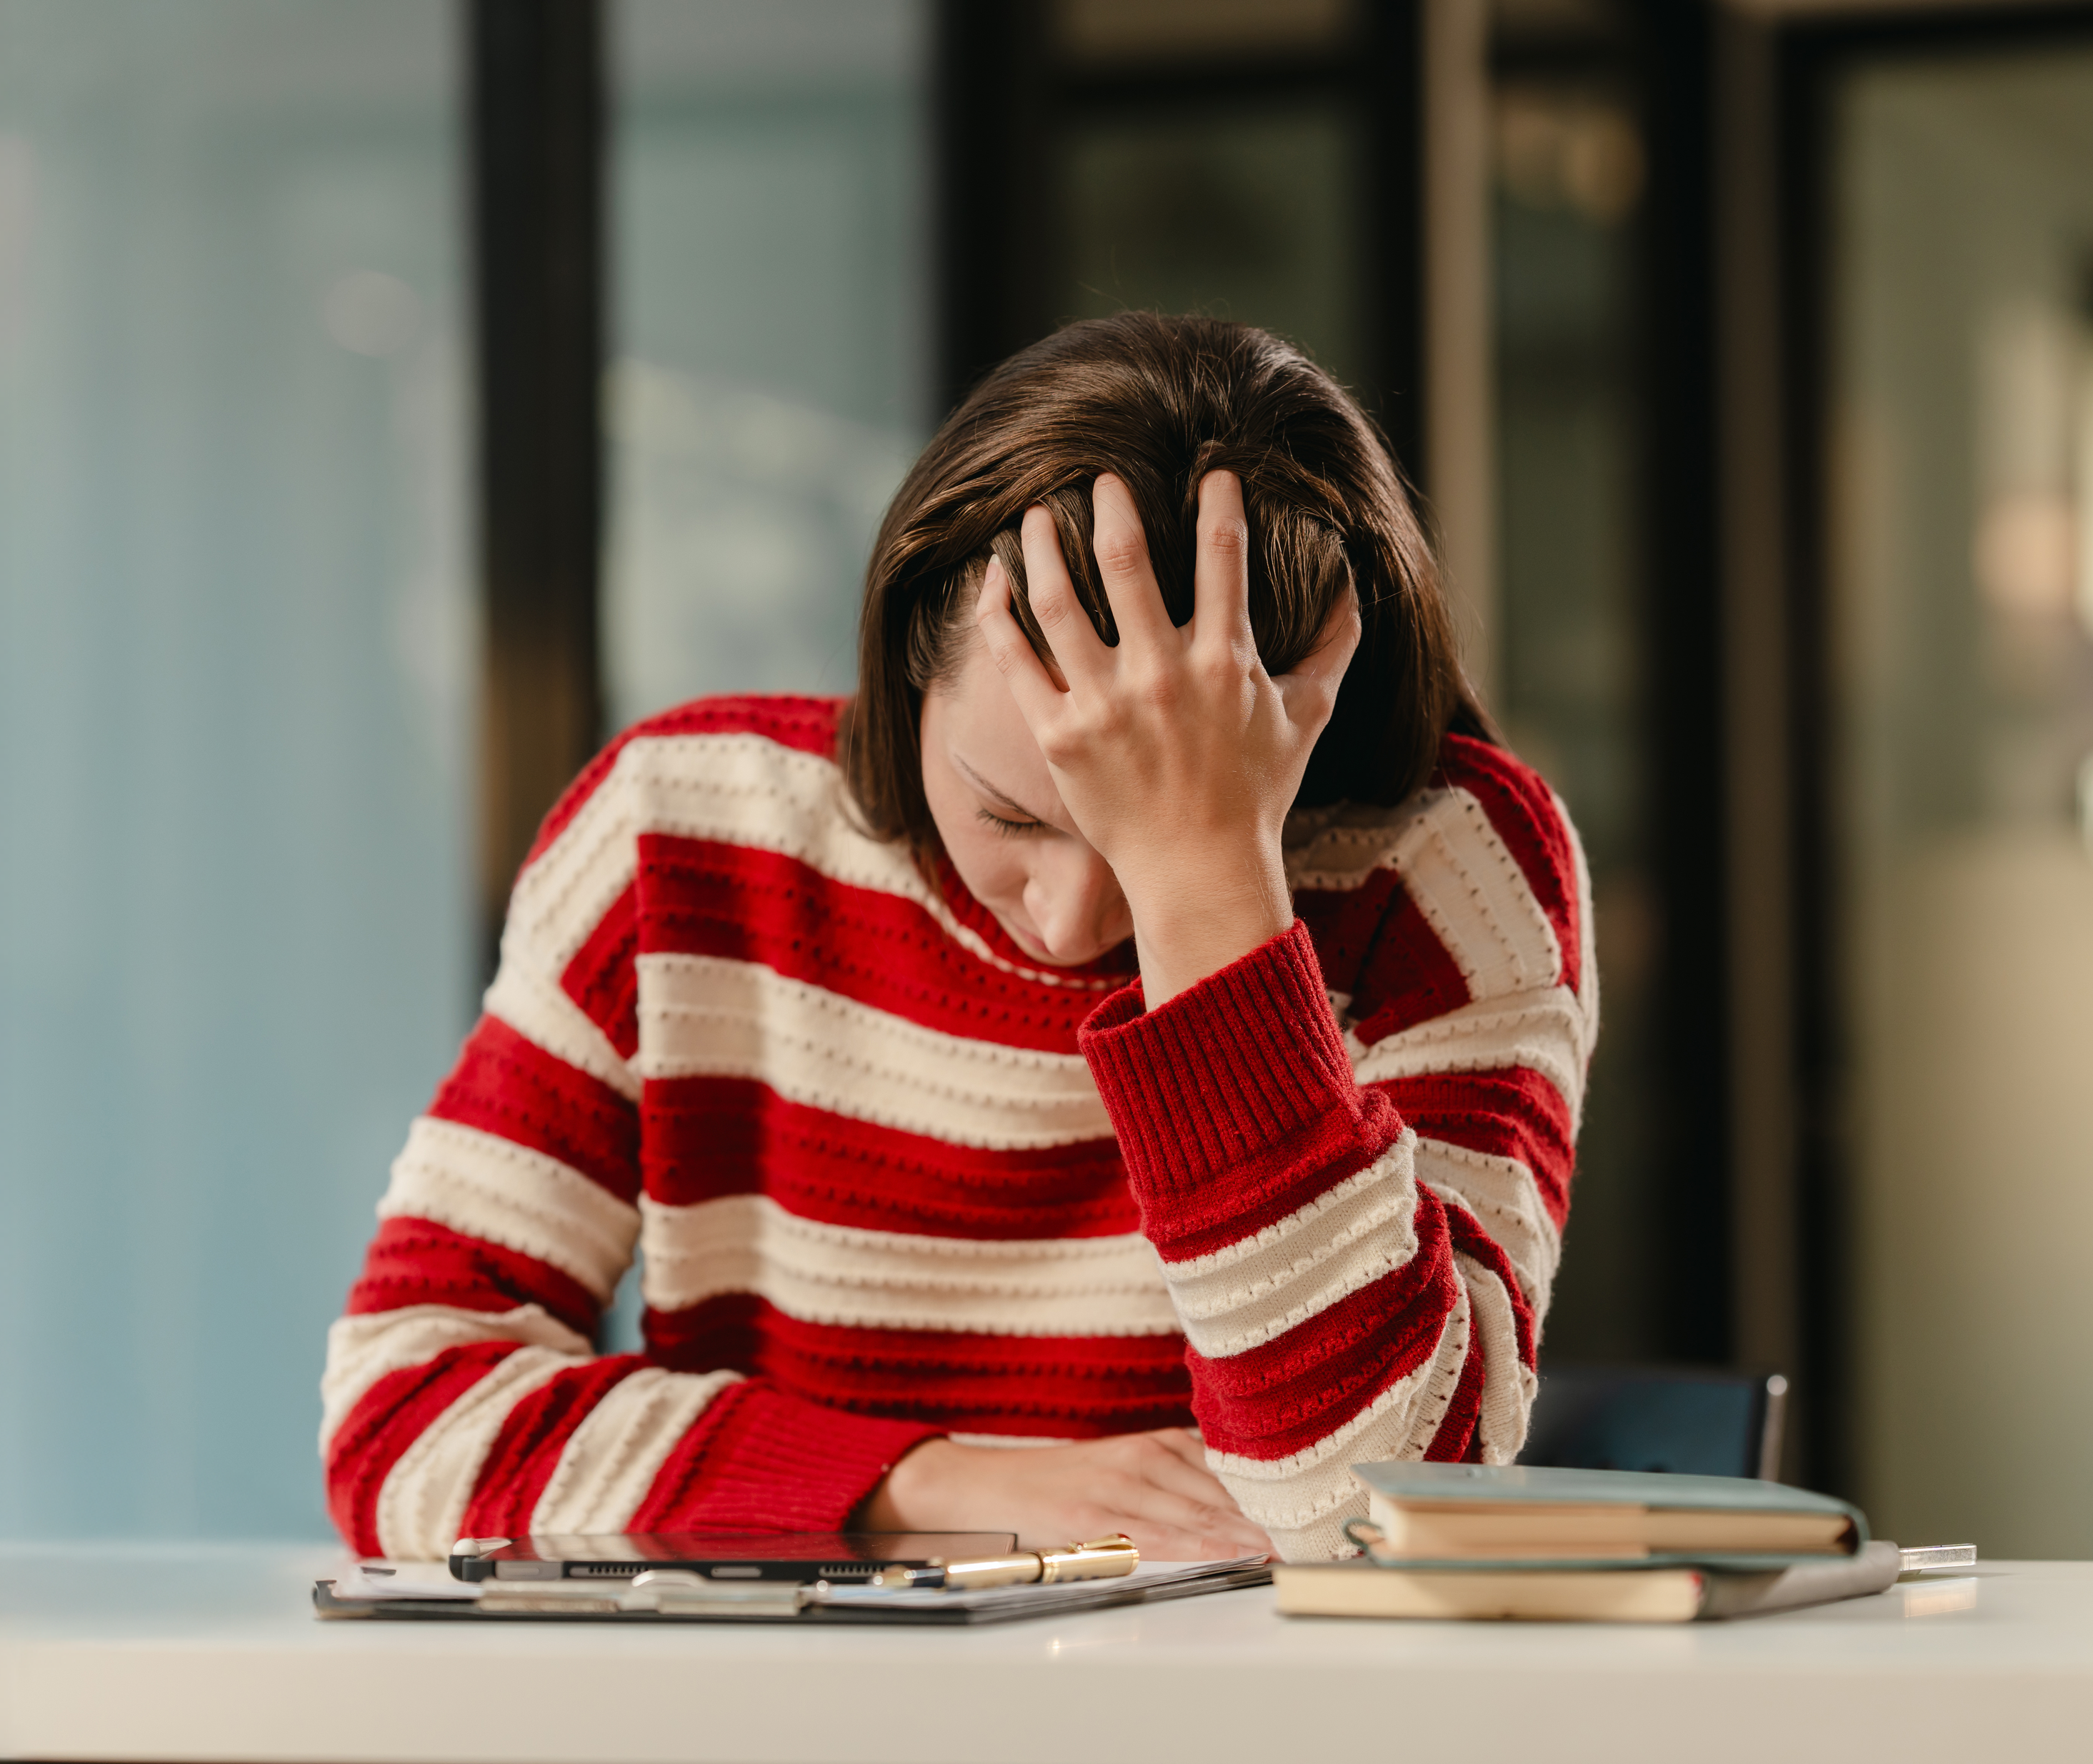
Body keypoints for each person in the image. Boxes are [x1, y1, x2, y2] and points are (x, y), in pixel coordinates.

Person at [317, 313, 1586, 1563]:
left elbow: (1374, 1511)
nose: (1074, 917)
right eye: (1013, 815)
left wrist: (1212, 881)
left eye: (1150, 841)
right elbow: (401, 1420)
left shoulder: (1446, 871)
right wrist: (940, 1482)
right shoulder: (681, 834)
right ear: (902, 664)